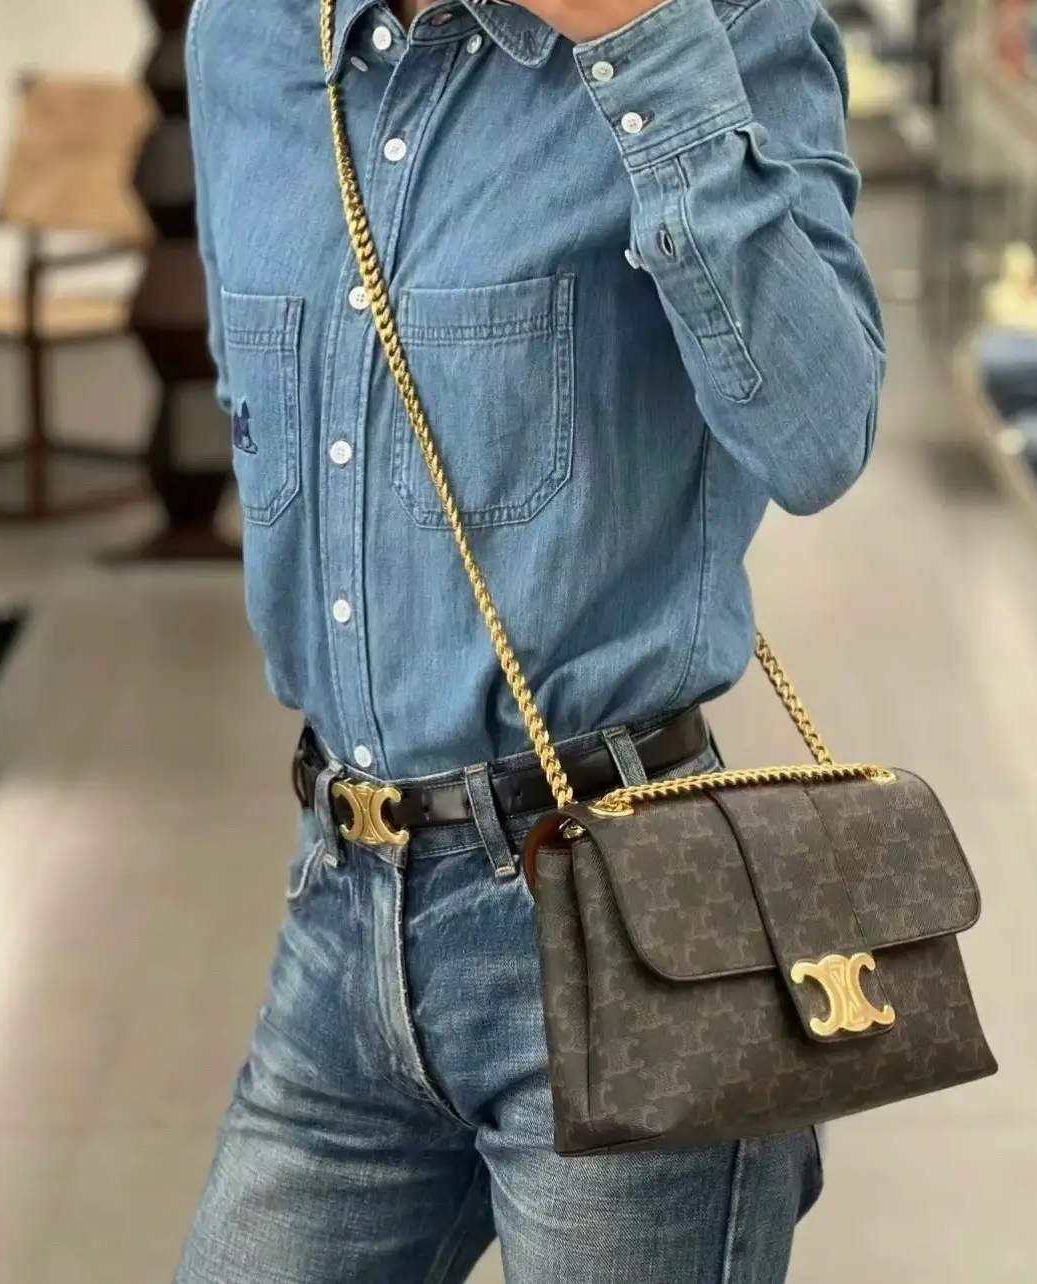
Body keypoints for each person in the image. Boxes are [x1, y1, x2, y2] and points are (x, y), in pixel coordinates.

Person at [176, 0, 885, 1276]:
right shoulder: (250, 33)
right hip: (341, 905)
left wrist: (639, 39)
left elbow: (819, 435)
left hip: (635, 922)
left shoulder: (729, 23)